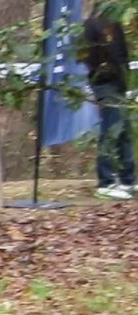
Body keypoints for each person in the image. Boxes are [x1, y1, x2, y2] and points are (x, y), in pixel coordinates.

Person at [79, 4, 134, 200]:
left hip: (118, 82)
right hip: (103, 83)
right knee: (110, 131)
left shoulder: (115, 24)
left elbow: (122, 53)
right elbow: (84, 56)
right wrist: (95, 79)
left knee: (124, 131)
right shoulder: (91, 25)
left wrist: (123, 76)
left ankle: (129, 179)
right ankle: (106, 181)